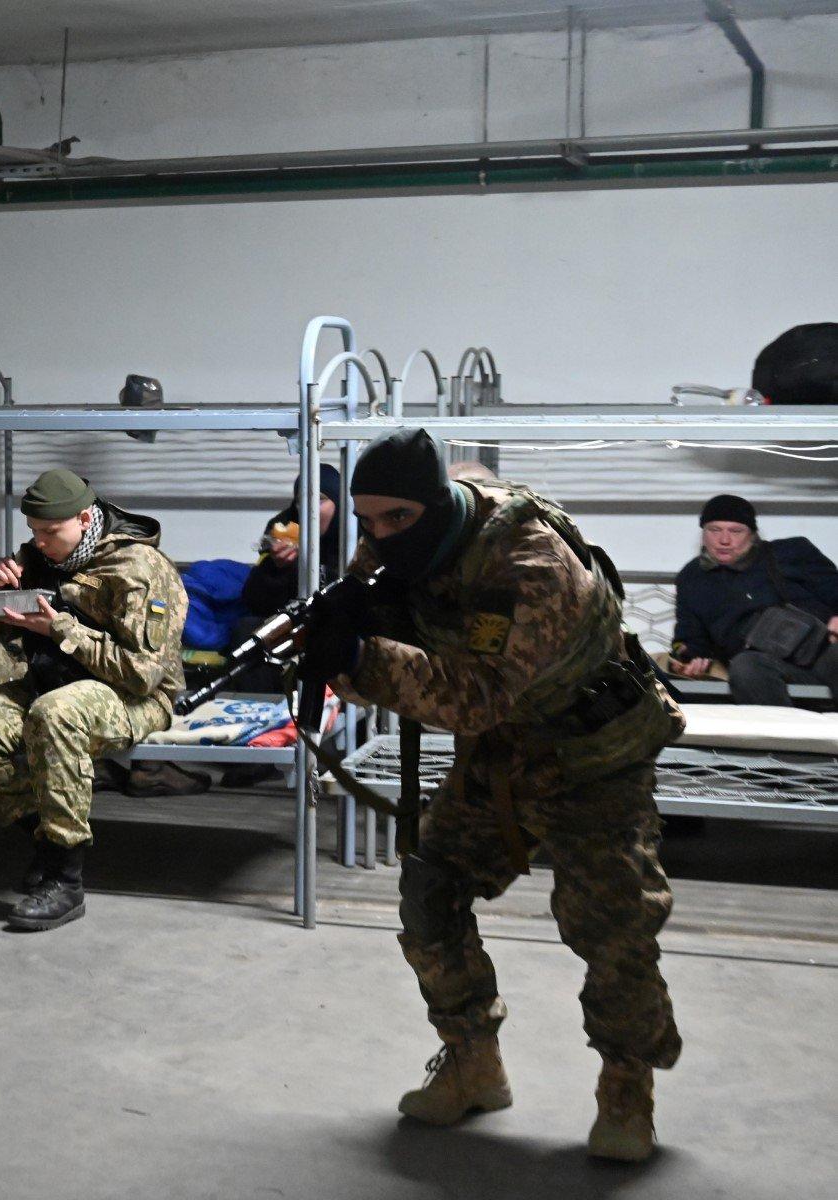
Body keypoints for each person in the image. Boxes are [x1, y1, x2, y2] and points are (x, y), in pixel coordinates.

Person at [310, 429, 684, 1162]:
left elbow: (476, 696)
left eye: (397, 519)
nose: (379, 536)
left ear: (435, 503)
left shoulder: (530, 561)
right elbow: (381, 623)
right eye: (366, 521)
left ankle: (626, 1087)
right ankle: (471, 1062)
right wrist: (337, 638)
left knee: (611, 929)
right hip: (503, 752)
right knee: (430, 892)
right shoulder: (392, 543)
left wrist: (361, 657)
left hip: (593, 755)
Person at [0, 470, 187, 932]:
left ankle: (65, 881)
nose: (40, 542)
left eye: (50, 531)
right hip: (51, 680)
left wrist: (61, 629)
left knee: (55, 715)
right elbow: (1, 629)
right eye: (33, 531)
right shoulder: (39, 555)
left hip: (133, 697)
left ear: (85, 519)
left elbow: (141, 675)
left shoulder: (139, 568)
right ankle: (49, 842)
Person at [671, 494, 838, 705]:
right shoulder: (692, 578)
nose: (724, 540)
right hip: (762, 665)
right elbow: (691, 638)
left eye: (735, 531)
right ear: (703, 533)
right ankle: (779, 727)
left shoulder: (790, 552)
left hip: (822, 651)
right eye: (714, 530)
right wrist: (687, 658)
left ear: (752, 534)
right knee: (745, 667)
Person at [239, 463, 342, 621]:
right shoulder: (281, 530)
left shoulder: (359, 534)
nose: (309, 509)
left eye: (319, 499)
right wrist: (276, 568)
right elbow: (255, 604)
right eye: (301, 501)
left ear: (339, 502)